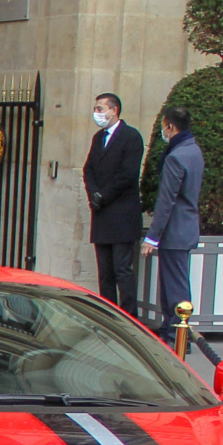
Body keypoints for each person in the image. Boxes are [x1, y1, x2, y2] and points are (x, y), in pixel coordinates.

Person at [143, 103, 204, 340]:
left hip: (175, 231)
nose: (163, 132)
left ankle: (177, 334)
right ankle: (173, 329)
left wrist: (152, 236)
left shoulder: (176, 157)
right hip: (185, 227)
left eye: (164, 127)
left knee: (174, 287)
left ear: (170, 126)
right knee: (175, 284)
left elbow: (166, 200)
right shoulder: (193, 150)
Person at [83, 92, 145, 312]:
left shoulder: (131, 137)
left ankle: (129, 316)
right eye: (96, 108)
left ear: (114, 110)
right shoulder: (98, 138)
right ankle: (107, 314)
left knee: (122, 270)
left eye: (100, 108)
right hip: (102, 213)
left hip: (122, 214)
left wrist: (105, 195)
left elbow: (127, 174)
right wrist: (94, 195)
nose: (97, 113)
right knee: (105, 272)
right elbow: (88, 168)